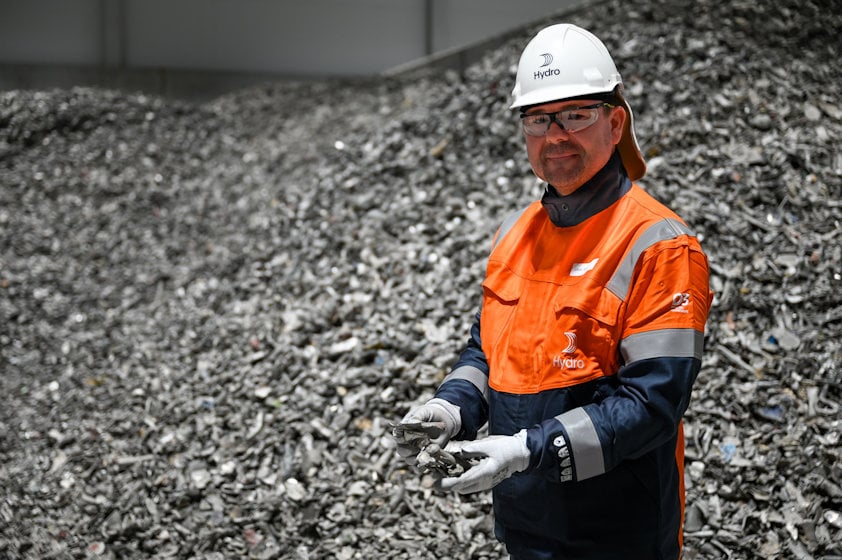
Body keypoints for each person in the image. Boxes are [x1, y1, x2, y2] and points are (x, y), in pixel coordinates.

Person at [393, 22, 713, 560]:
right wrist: (451, 408)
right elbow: (488, 352)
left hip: (618, 536)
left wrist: (527, 449)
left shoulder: (658, 245)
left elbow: (653, 402)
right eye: (538, 118)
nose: (555, 135)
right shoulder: (515, 234)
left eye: (576, 115)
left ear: (615, 123)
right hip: (525, 524)